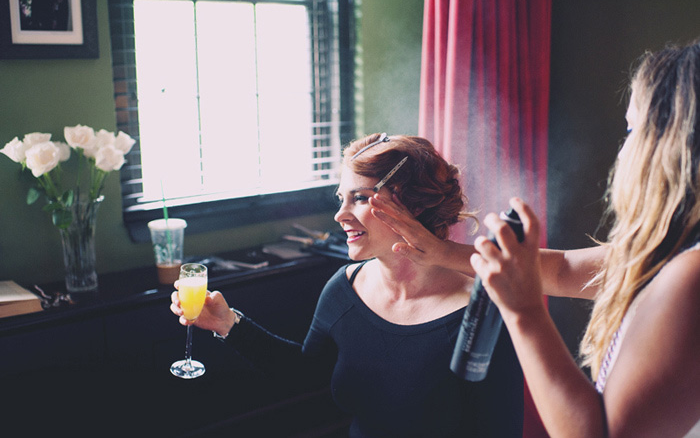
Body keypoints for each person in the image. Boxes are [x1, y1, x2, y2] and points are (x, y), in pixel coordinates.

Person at [370, 40, 700, 437]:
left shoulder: (691, 275)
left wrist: (524, 312)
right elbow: (560, 270)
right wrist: (441, 252)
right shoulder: (673, 252)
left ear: (672, 144)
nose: (623, 149)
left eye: (631, 129)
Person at [171, 133, 525, 437]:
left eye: (359, 198)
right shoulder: (344, 287)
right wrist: (227, 323)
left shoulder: (481, 314)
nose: (340, 215)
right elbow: (306, 374)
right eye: (341, 198)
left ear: (410, 206)